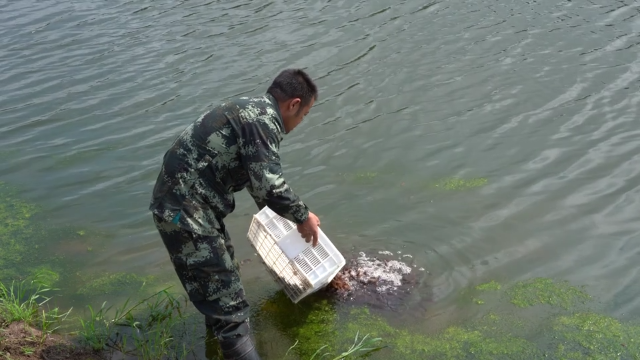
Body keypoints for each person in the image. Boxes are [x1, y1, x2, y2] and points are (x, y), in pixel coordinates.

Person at [148, 69, 322, 360]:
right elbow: (268, 184)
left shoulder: (250, 110)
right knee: (229, 301)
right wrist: (304, 216)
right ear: (293, 104)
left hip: (187, 206)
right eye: (304, 115)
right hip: (185, 210)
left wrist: (290, 219)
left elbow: (258, 185)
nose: (300, 123)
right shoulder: (263, 121)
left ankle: (215, 351)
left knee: (221, 278)